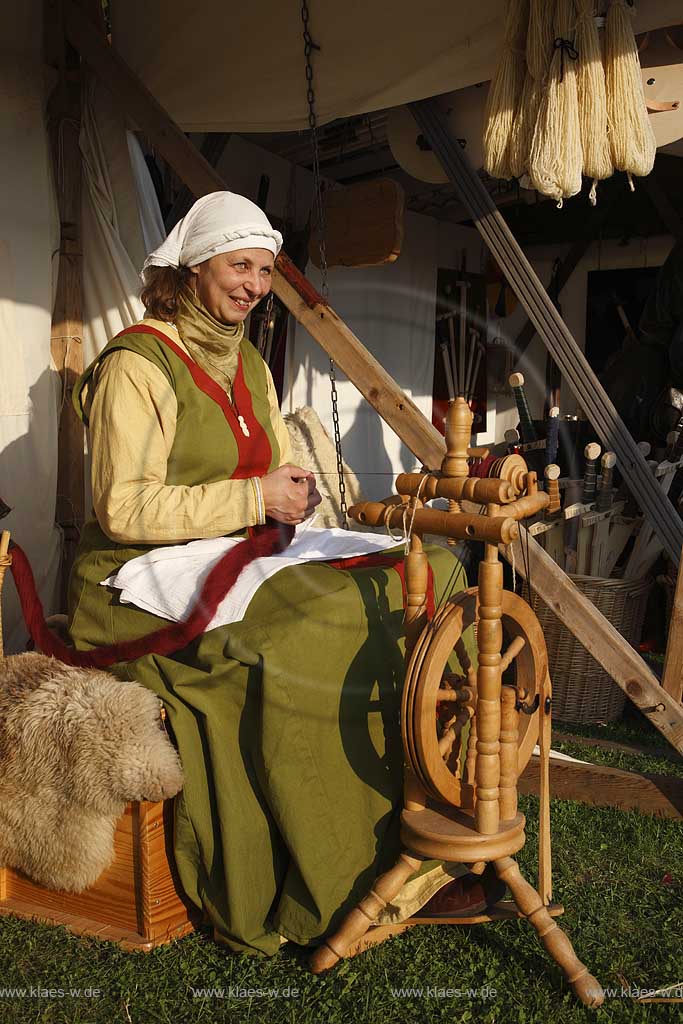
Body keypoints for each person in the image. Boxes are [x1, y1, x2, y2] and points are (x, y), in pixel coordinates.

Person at [67, 191, 501, 956]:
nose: (255, 284)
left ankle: (431, 824)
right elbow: (121, 508)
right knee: (306, 634)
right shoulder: (134, 365)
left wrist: (287, 495)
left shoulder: (251, 365)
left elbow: (264, 473)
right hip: (137, 578)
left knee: (421, 567)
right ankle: (337, 879)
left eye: (264, 270)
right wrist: (250, 496)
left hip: (230, 550)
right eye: (241, 266)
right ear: (194, 267)